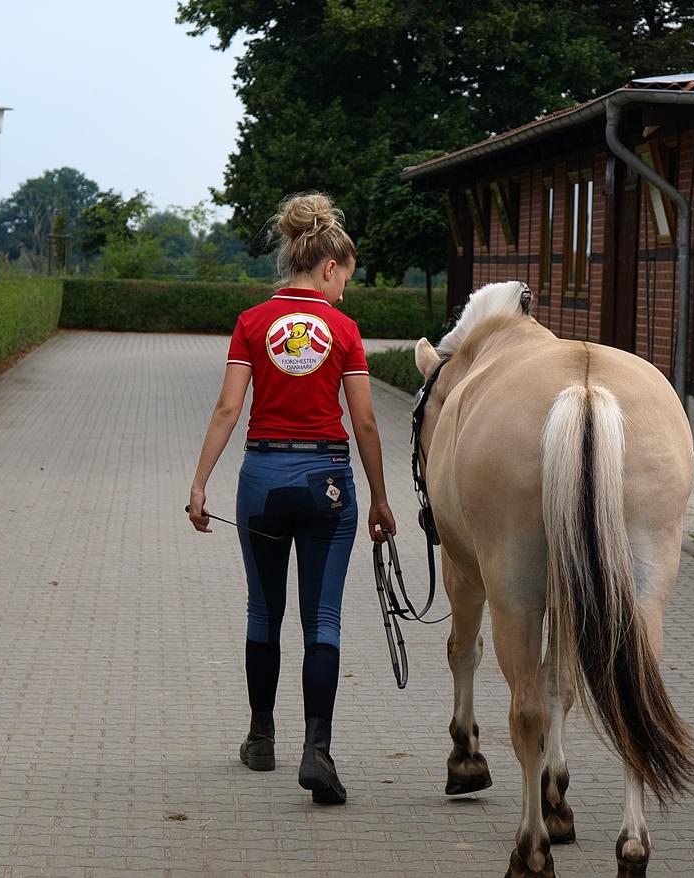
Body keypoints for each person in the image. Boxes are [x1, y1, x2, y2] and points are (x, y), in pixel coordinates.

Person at [187, 192, 395, 805]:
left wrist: (200, 483)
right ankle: (318, 750)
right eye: (344, 281)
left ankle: (260, 737)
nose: (343, 293)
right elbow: (366, 425)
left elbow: (229, 408)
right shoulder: (344, 330)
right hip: (327, 481)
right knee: (322, 619)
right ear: (328, 267)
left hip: (262, 481)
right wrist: (381, 499)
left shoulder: (252, 323)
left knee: (263, 612)